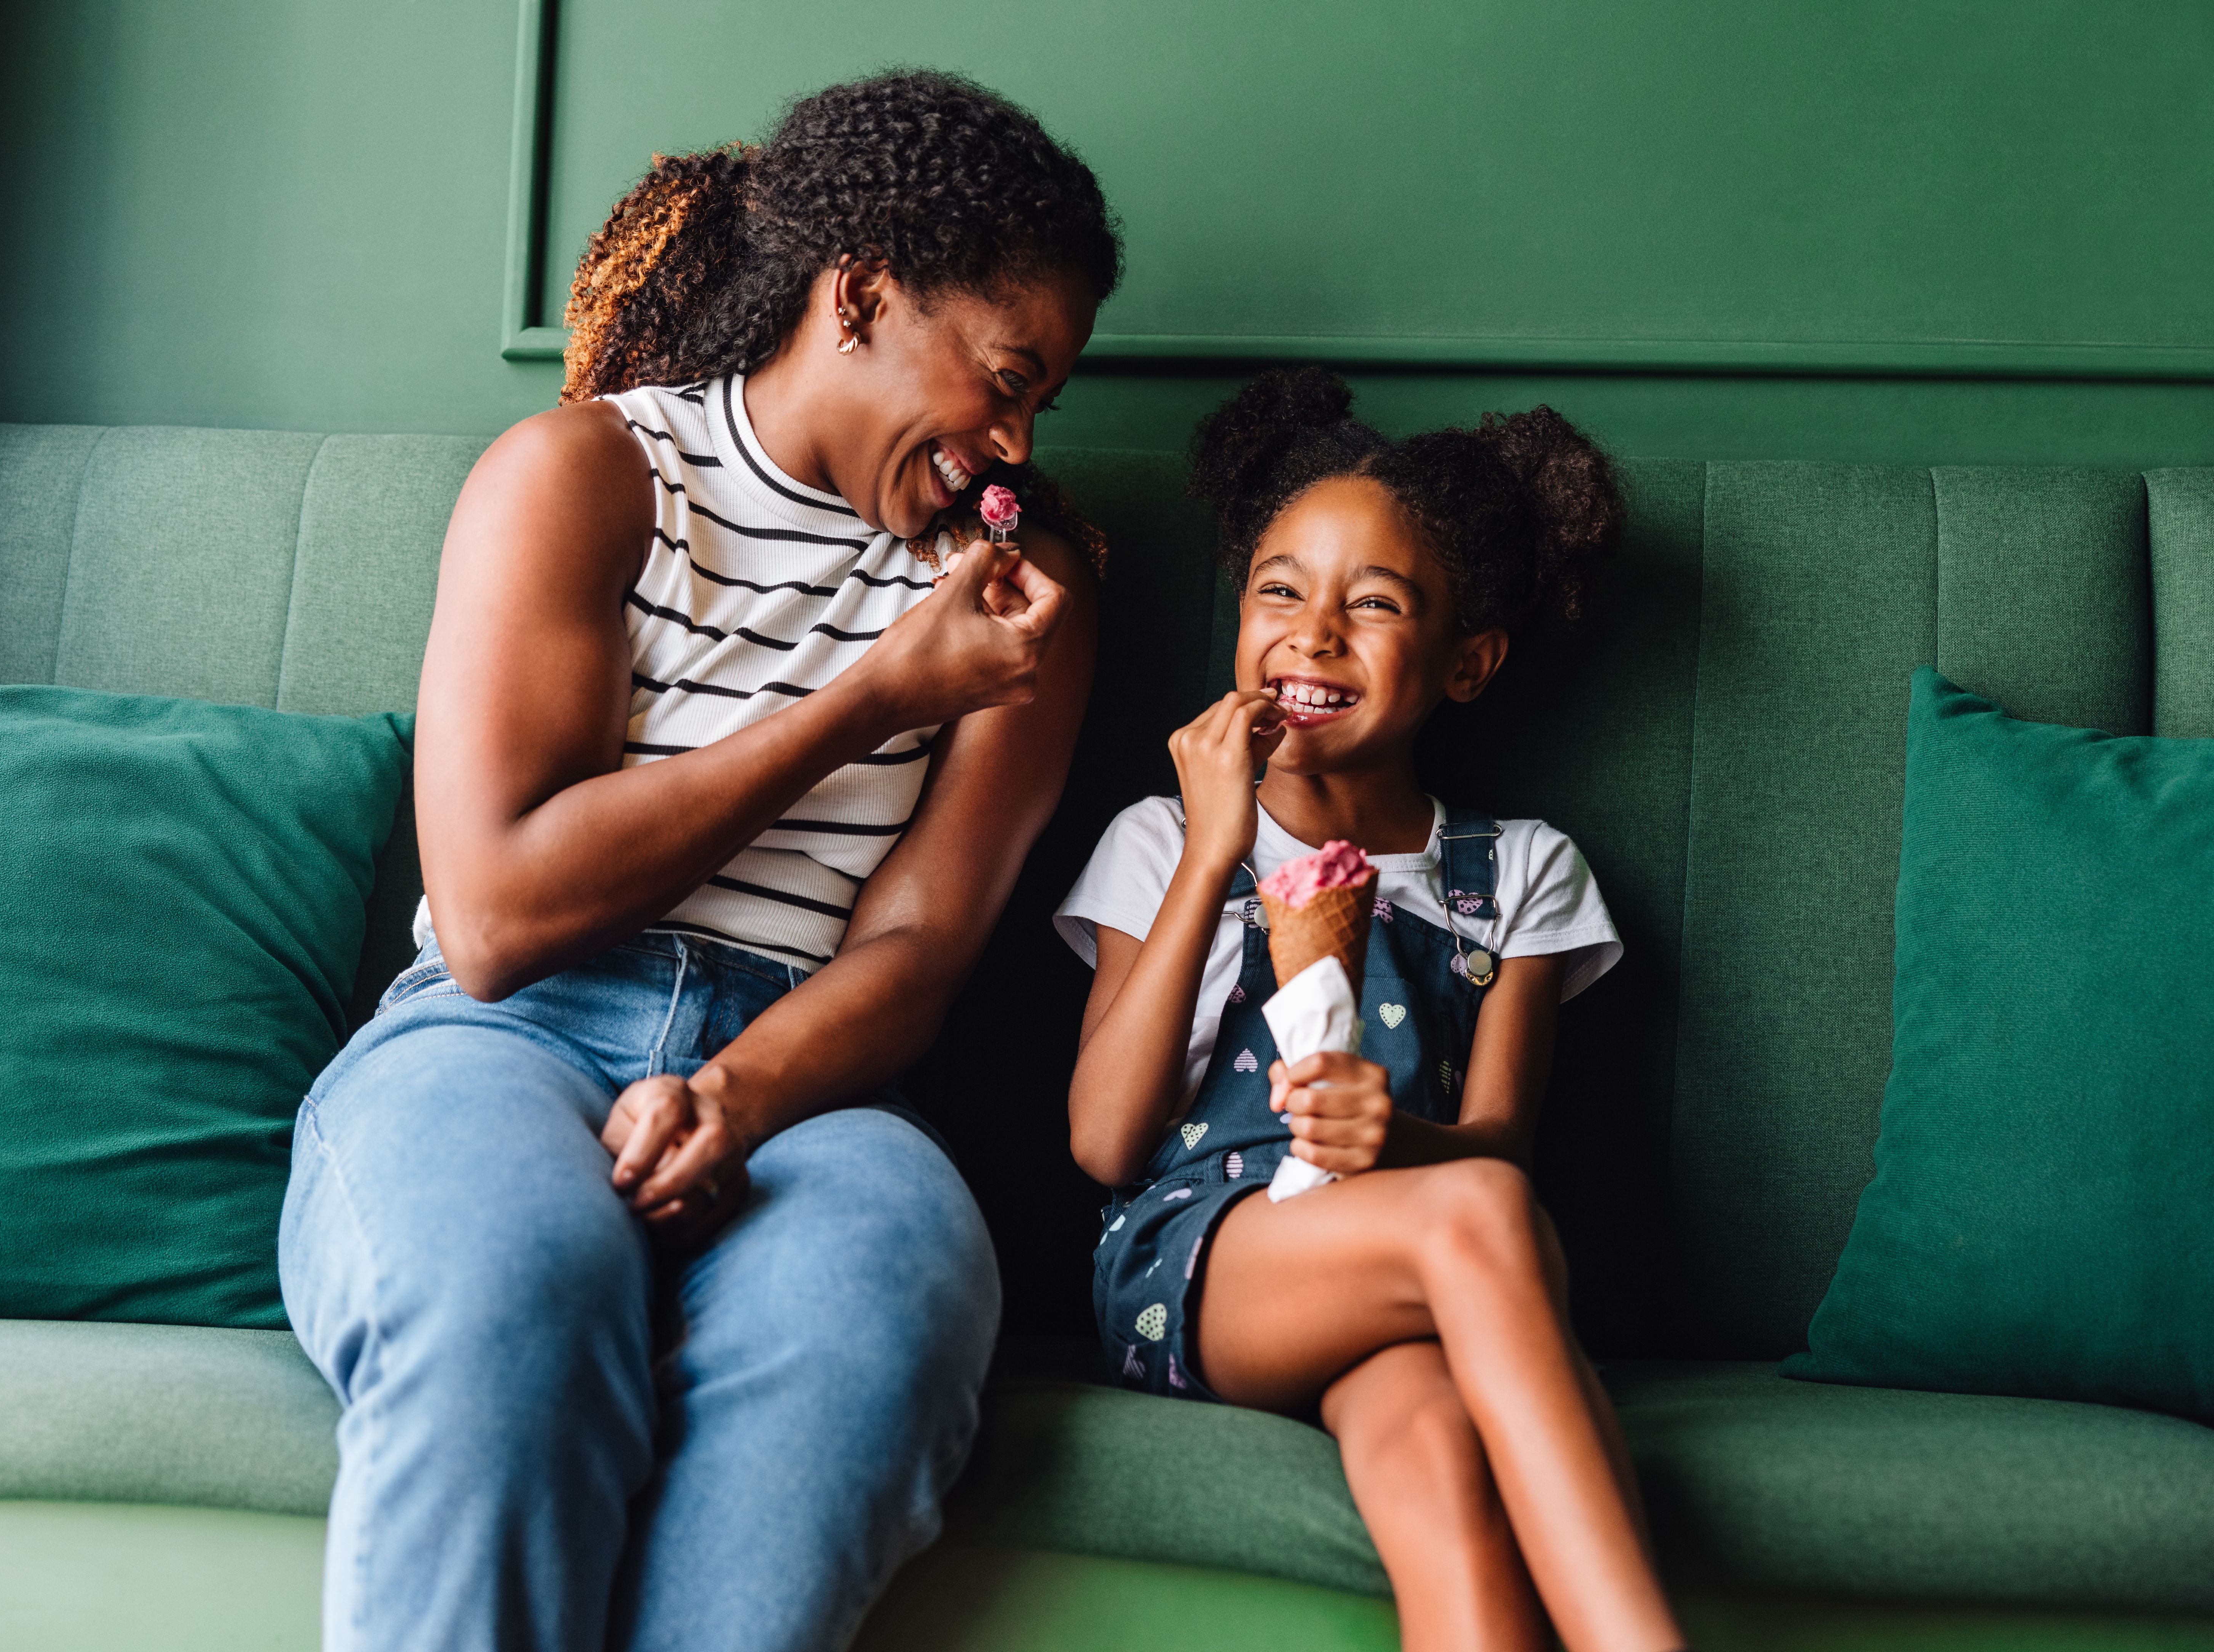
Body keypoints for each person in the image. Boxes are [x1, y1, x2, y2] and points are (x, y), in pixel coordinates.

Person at [278, 71, 1118, 1652]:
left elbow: (919, 954)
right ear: (858, 294)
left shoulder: (1022, 603)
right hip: (495, 1038)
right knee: (519, 1292)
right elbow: (501, 912)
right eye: (1005, 378)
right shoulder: (587, 477)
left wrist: (737, 1096)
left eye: (1043, 405)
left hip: (813, 1077)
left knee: (878, 1310)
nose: (1011, 441)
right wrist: (870, 697)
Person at [1055, 368, 1689, 1652]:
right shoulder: (1160, 839)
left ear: (1470, 662)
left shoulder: (1520, 874)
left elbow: (1498, 1144)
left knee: (1441, 1466)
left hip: (1408, 1273)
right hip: (1206, 1264)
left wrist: (1394, 1146)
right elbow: (1105, 1144)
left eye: (1376, 604)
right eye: (1278, 589)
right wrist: (1212, 851)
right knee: (1489, 1216)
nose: (1314, 633)